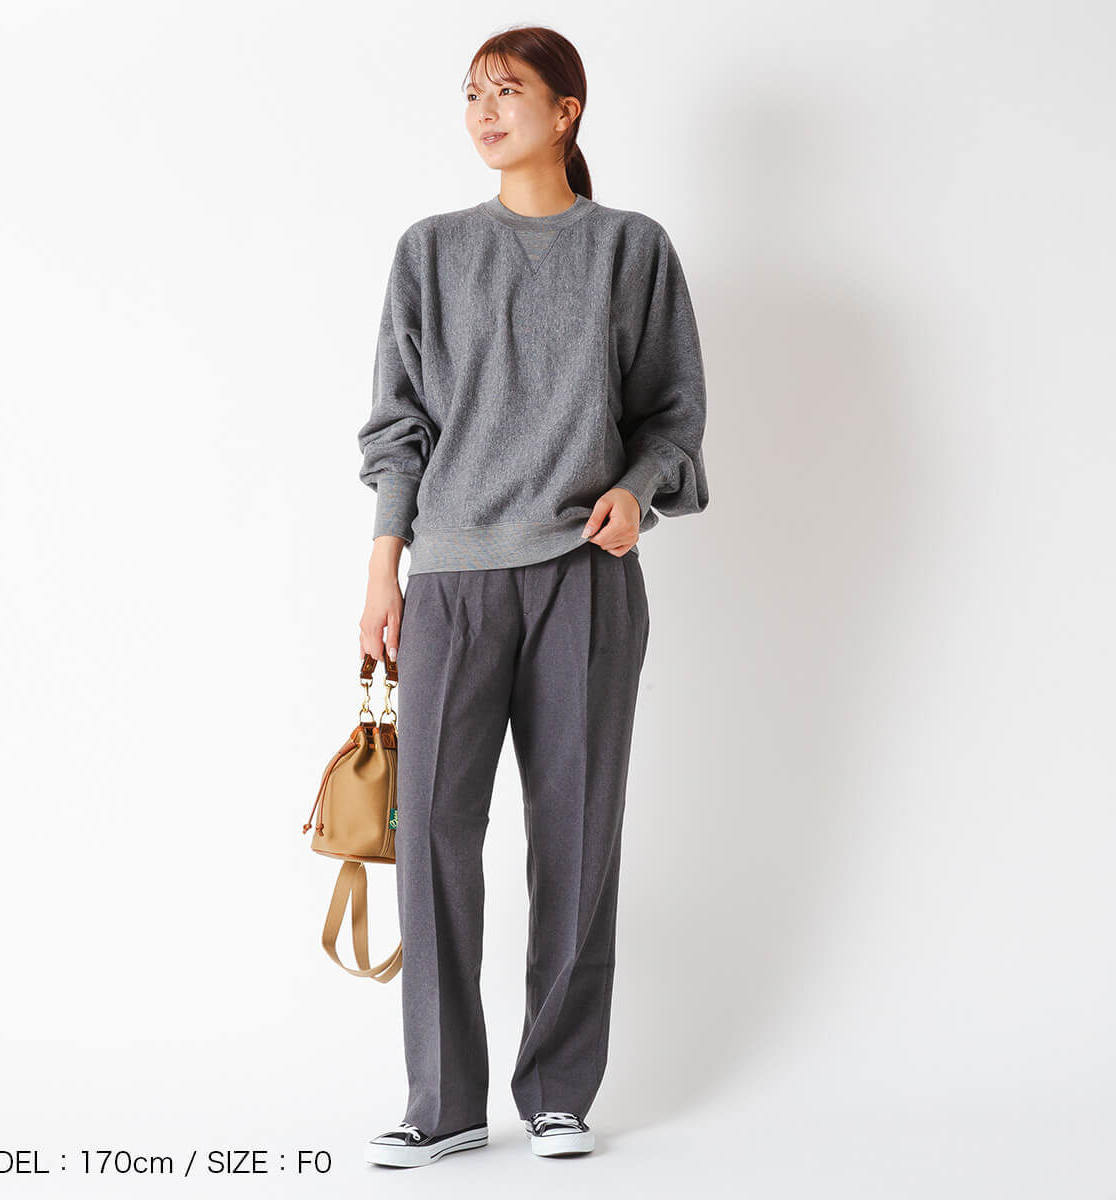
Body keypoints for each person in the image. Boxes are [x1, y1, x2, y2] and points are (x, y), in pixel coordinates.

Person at [357, 25, 709, 1169]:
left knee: (576, 836)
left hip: (583, 580)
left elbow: (672, 414)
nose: (483, 110)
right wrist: (383, 567)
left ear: (567, 111)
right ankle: (443, 1102)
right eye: (471, 93)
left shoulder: (631, 249)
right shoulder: (431, 251)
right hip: (452, 581)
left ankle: (559, 1090)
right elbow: (398, 427)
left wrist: (636, 491)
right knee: (432, 838)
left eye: (507, 90)